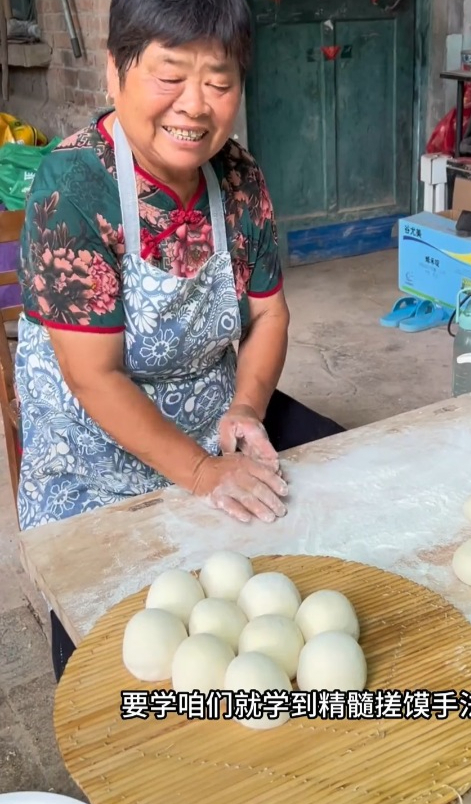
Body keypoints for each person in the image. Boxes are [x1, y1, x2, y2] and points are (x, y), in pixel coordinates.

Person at [14, 0, 345, 681]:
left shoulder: (240, 178)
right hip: (91, 442)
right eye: (170, 75)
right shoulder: (76, 185)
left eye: (218, 82)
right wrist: (199, 475)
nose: (194, 107)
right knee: (109, 650)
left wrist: (247, 408)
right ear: (116, 72)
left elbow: (270, 317)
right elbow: (94, 377)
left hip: (212, 413)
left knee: (341, 496)